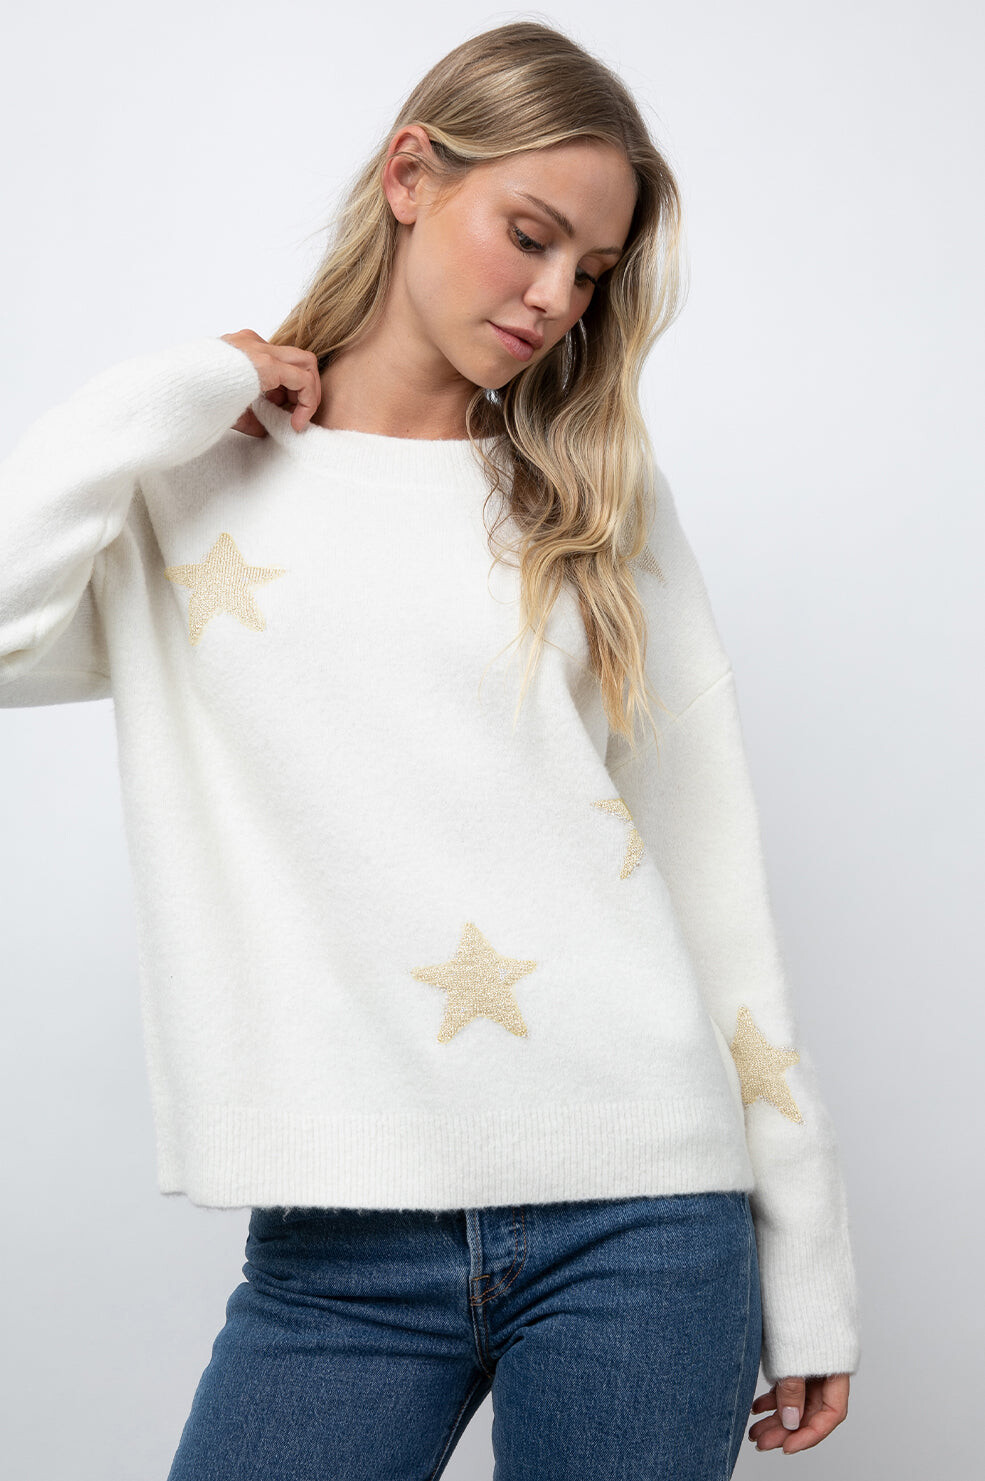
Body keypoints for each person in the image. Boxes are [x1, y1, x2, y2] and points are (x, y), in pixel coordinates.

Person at [0, 19, 860, 1480]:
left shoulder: (593, 501)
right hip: (337, 1247)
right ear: (410, 175)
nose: (553, 297)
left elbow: (712, 879)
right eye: (529, 236)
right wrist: (191, 383)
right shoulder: (191, 483)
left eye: (591, 271)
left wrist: (808, 1255)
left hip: (642, 1216)